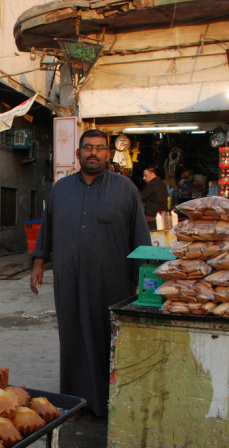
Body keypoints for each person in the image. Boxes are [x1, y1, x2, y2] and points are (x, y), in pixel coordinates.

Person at [30, 129, 151, 417]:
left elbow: (139, 236)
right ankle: (75, 400)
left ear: (108, 154)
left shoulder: (125, 189)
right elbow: (47, 228)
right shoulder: (61, 189)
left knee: (104, 336)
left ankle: (107, 402)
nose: (93, 153)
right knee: (71, 336)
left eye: (99, 148)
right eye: (87, 148)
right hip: (68, 278)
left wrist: (142, 281)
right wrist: (38, 263)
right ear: (78, 153)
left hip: (110, 279)